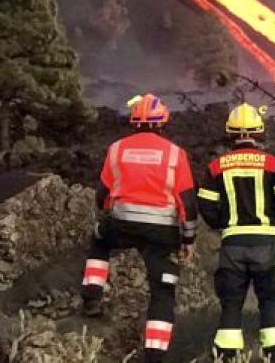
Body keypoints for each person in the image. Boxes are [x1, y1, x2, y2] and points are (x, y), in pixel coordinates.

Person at [81, 94, 198, 363]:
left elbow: (103, 194)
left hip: (122, 223)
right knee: (163, 290)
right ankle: (154, 355)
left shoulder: (116, 149)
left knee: (99, 240)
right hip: (162, 233)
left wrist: (108, 213)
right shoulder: (175, 153)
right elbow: (188, 203)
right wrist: (188, 239)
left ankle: (91, 298)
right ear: (163, 122)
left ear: (133, 121)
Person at [197, 103, 275, 360]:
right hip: (265, 245)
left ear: (230, 134)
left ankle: (227, 353)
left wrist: (221, 223)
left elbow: (206, 205)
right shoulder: (274, 164)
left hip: (232, 245)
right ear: (260, 132)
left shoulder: (216, 167)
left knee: (231, 300)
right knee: (270, 297)